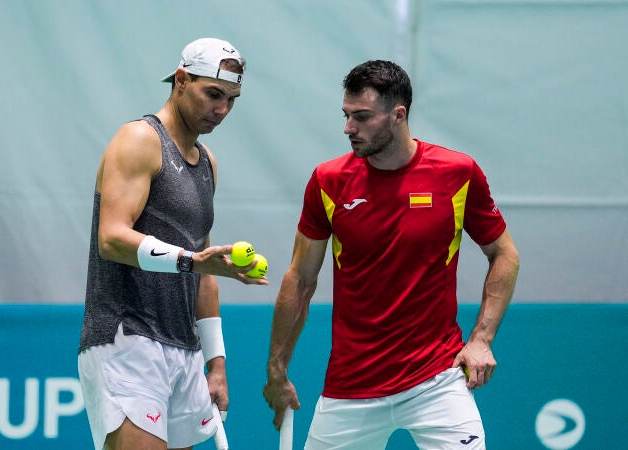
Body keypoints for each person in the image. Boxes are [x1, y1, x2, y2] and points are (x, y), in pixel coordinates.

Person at [263, 60, 519, 449]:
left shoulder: (458, 173)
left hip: (438, 379)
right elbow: (300, 279)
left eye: (362, 117)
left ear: (398, 115)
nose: (348, 128)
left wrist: (481, 339)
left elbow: (504, 254)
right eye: (346, 115)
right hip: (351, 386)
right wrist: (277, 370)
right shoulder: (328, 181)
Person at [78, 37, 266, 450]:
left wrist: (216, 365)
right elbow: (111, 238)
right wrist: (192, 261)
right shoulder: (138, 140)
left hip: (184, 349)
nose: (222, 110)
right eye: (213, 94)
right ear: (181, 80)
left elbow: (205, 274)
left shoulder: (207, 162)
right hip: (127, 337)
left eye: (232, 100)